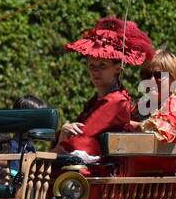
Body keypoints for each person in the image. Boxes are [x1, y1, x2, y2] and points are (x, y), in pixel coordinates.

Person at [56, 16, 154, 169]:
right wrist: (64, 132)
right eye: (91, 66)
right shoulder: (97, 100)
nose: (95, 71)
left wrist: (61, 143)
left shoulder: (116, 101)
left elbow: (82, 139)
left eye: (102, 65)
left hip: (100, 175)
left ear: (117, 69)